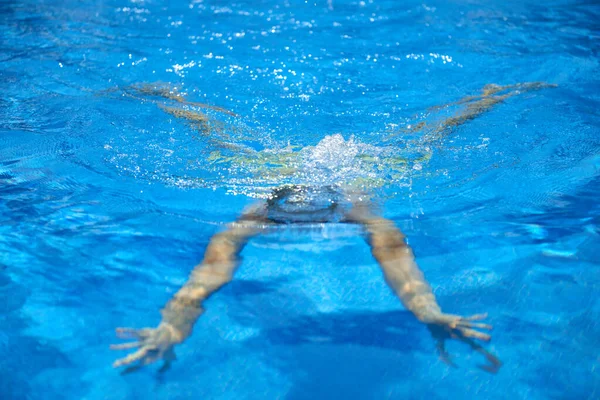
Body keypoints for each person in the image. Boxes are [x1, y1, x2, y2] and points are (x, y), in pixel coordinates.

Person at [110, 82, 556, 373]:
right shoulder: (256, 211)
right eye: (294, 214)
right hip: (277, 169)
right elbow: (207, 276)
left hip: (355, 176)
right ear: (279, 205)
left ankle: (484, 99)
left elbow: (397, 260)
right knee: (220, 140)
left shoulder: (360, 203)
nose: (306, 222)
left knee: (427, 139)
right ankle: (175, 100)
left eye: (315, 213)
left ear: (333, 205)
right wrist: (173, 326)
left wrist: (427, 311)